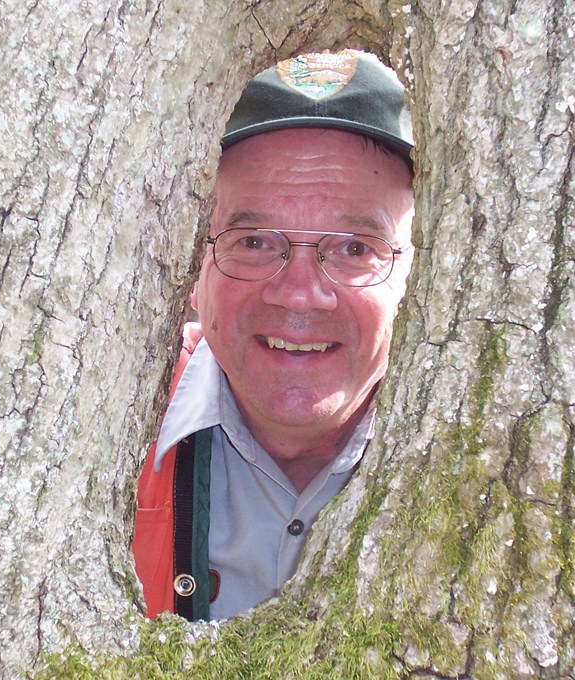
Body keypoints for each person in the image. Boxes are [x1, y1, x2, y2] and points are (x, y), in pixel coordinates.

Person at [132, 49, 415, 621]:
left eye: (355, 249)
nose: (299, 293)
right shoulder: (103, 436)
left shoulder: (491, 456)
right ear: (192, 267)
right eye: (256, 241)